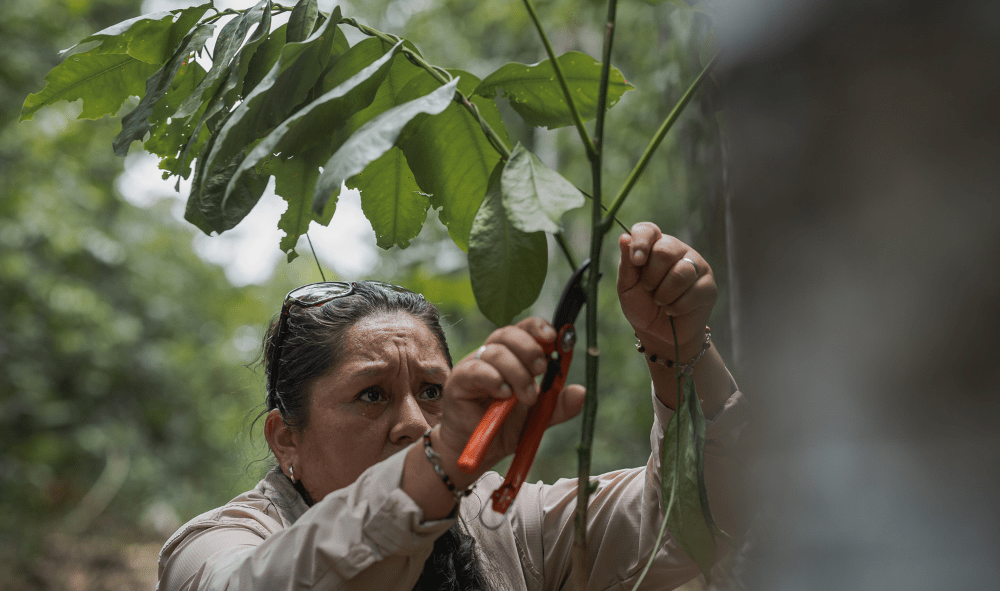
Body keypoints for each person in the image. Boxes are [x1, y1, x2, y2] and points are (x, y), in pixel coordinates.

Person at [156, 223, 748, 591]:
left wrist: (680, 351)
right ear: (286, 438)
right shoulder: (217, 545)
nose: (415, 422)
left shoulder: (505, 523)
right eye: (372, 395)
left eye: (433, 392)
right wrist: (438, 466)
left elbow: (699, 518)